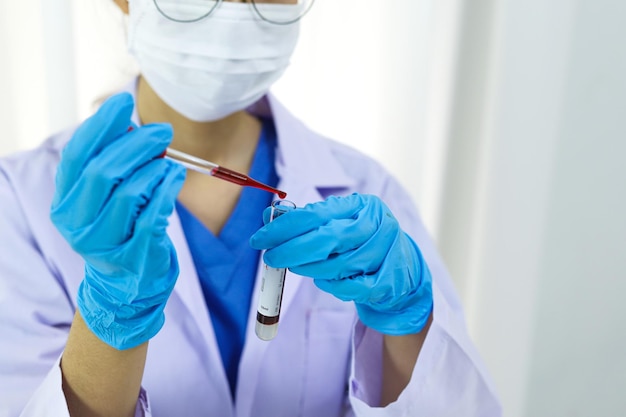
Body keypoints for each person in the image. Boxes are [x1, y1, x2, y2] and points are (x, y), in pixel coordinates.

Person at [0, 0, 501, 416]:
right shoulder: (20, 200)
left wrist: (406, 322)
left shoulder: (367, 190)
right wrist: (110, 312)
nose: (234, 15)